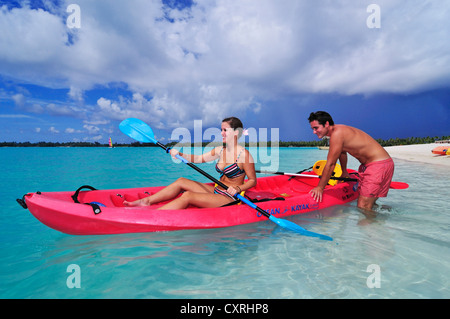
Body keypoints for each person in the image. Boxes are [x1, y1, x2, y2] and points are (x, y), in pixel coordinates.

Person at [124, 117, 256, 210]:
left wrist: (238, 189)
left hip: (230, 197)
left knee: (187, 196)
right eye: (221, 129)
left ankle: (155, 216)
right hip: (216, 190)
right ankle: (146, 201)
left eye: (225, 130)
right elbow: (198, 159)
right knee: (181, 181)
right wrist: (179, 154)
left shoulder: (244, 155)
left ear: (236, 132)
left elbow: (252, 181)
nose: (221, 133)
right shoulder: (220, 150)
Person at [308, 111, 394, 211]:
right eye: (312, 129)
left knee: (363, 207)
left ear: (326, 124)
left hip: (378, 166)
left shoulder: (337, 134)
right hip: (377, 165)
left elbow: (331, 164)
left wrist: (320, 187)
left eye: (316, 128)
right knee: (369, 205)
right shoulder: (338, 131)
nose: (314, 132)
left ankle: (370, 225)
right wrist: (344, 171)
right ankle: (383, 216)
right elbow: (342, 152)